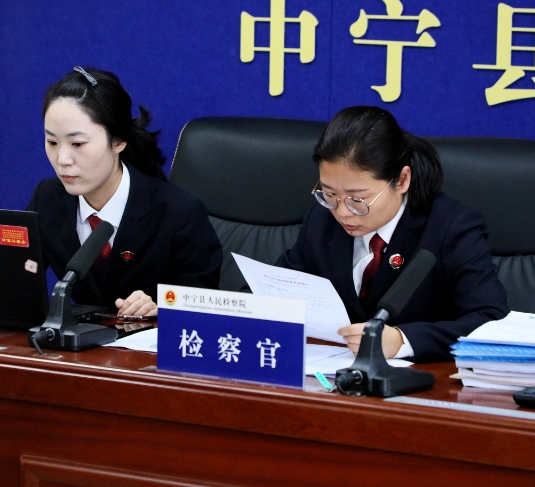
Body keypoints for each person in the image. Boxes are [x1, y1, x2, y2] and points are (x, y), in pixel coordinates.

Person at [276, 106, 509, 362]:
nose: (342, 212)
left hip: (424, 377)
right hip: (333, 372)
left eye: (357, 199)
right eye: (330, 194)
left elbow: (490, 318)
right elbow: (278, 288)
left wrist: (403, 340)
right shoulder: (321, 221)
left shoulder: (450, 228)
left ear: (402, 180)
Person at [26, 67, 222, 316]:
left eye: (77, 144)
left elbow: (203, 309)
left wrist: (161, 309)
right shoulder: (47, 198)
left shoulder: (179, 213)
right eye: (52, 142)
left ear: (118, 141)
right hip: (80, 338)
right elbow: (16, 277)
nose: (62, 159)